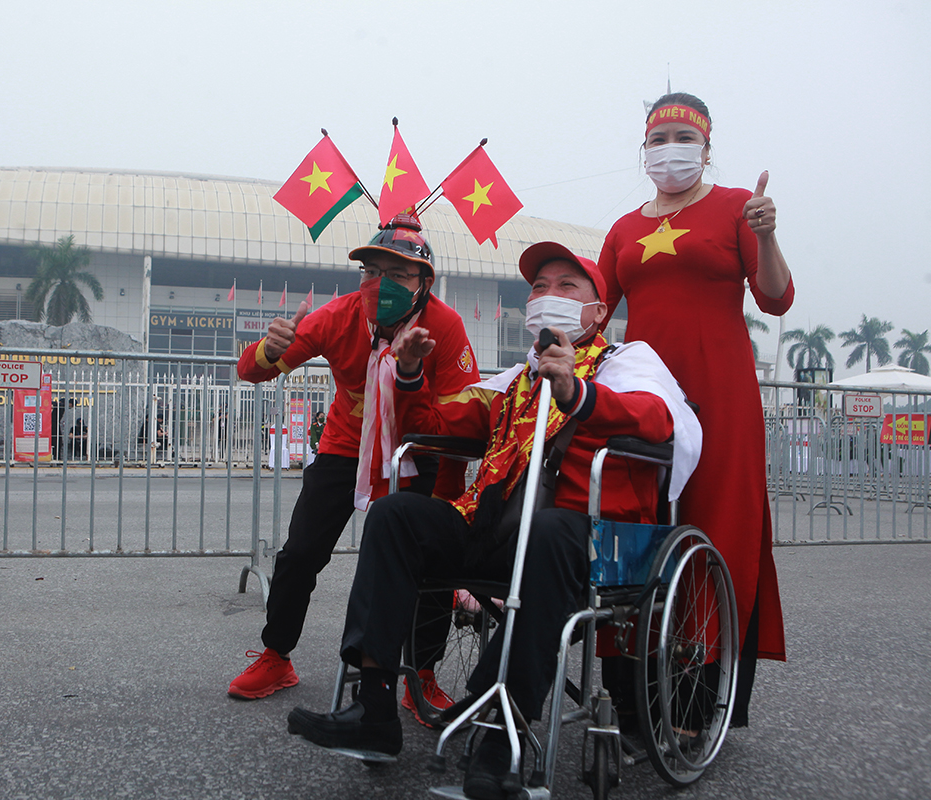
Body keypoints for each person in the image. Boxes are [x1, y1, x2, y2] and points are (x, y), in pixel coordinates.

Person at [286, 242, 700, 799]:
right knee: (393, 516)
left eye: (566, 287)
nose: (548, 297)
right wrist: (408, 373)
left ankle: (500, 740)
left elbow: (656, 419)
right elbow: (437, 421)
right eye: (538, 287)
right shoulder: (515, 380)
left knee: (550, 534)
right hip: (498, 526)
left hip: (585, 537)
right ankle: (375, 708)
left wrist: (578, 392)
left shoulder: (626, 361)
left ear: (598, 312)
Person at [228, 214, 482, 722]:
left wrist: (451, 502)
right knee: (299, 552)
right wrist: (267, 347)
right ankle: (277, 656)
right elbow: (250, 370)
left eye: (397, 274)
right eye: (369, 271)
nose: (378, 284)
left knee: (432, 568)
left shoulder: (446, 326)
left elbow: (467, 428)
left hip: (419, 453)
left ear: (424, 284)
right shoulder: (337, 316)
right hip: (347, 447)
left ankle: (422, 675)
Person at [597, 92, 793, 727]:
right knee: (638, 520)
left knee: (715, 522)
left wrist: (766, 237)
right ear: (644, 148)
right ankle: (629, 689)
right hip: (647, 394)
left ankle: (698, 692)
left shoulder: (737, 207)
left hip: (722, 392)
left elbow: (776, 298)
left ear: (706, 146)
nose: (668, 148)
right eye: (658, 138)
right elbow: (595, 309)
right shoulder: (623, 229)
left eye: (683, 137)